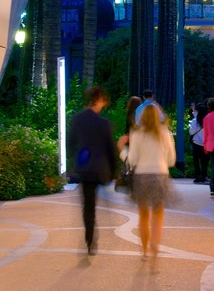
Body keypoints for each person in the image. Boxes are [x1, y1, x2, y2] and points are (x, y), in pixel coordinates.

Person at [66, 86, 117, 255]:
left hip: (85, 169)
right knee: (97, 204)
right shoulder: (104, 124)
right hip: (101, 170)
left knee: (88, 206)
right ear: (99, 100)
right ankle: (91, 237)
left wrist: (75, 162)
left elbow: (70, 144)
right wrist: (114, 171)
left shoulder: (77, 119)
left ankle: (89, 238)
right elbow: (111, 149)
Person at [128, 101, 175, 265]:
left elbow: (132, 159)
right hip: (160, 175)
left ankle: (145, 250)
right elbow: (171, 160)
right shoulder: (165, 133)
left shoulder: (137, 133)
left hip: (141, 176)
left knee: (143, 215)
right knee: (158, 214)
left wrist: (123, 151)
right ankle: (155, 244)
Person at [188, 102, 208, 183]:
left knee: (196, 161)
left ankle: (198, 176)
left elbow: (191, 132)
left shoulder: (195, 120)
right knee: (204, 161)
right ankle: (204, 175)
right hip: (205, 143)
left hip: (196, 143)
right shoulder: (207, 120)